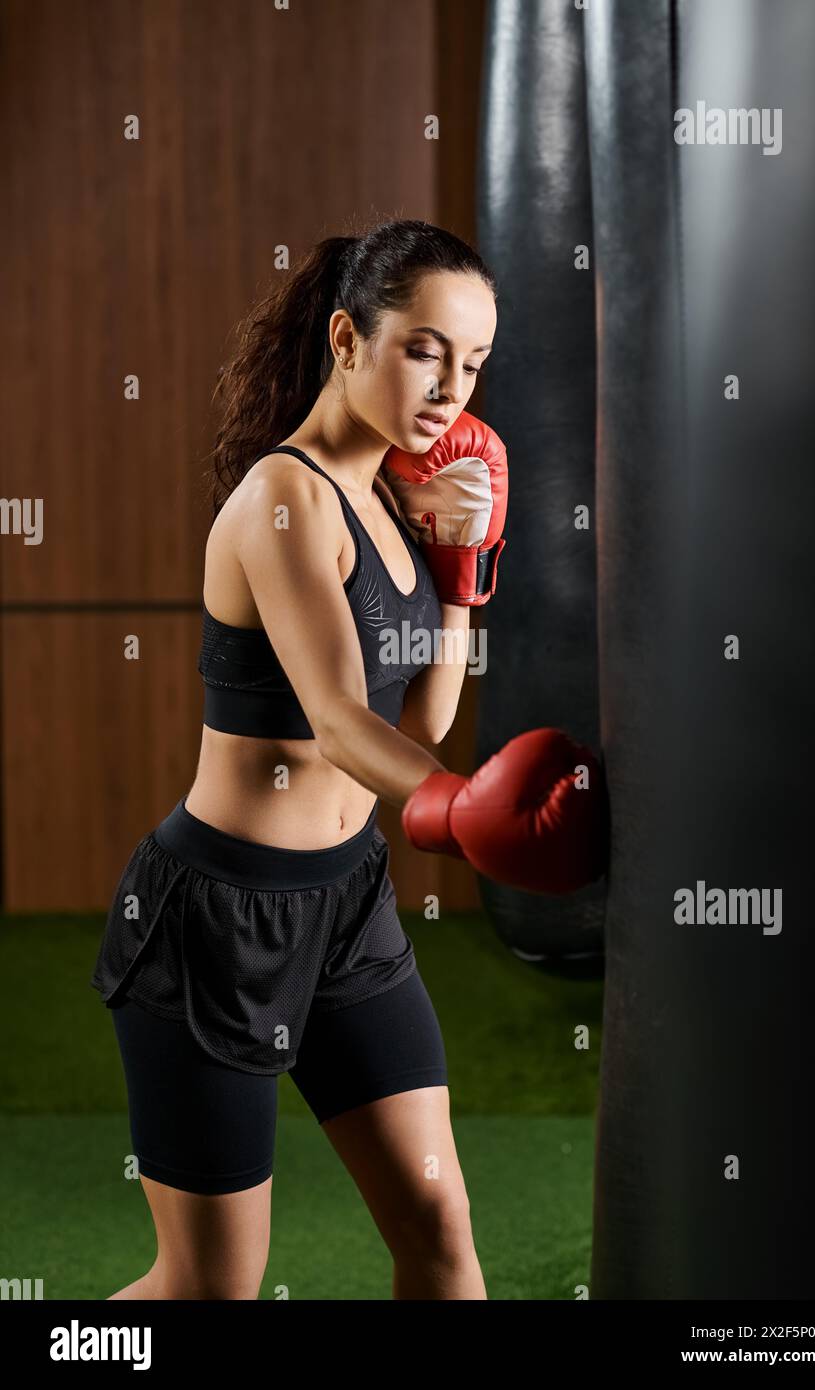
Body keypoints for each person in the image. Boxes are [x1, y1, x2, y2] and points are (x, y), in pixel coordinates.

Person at [91, 219, 505, 1301]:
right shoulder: (284, 501)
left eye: (472, 362)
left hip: (347, 907)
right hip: (214, 922)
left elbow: (415, 735)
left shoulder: (389, 502)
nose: (450, 385)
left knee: (440, 1230)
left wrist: (460, 573)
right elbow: (335, 723)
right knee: (209, 1283)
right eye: (424, 348)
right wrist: (468, 812)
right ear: (347, 337)